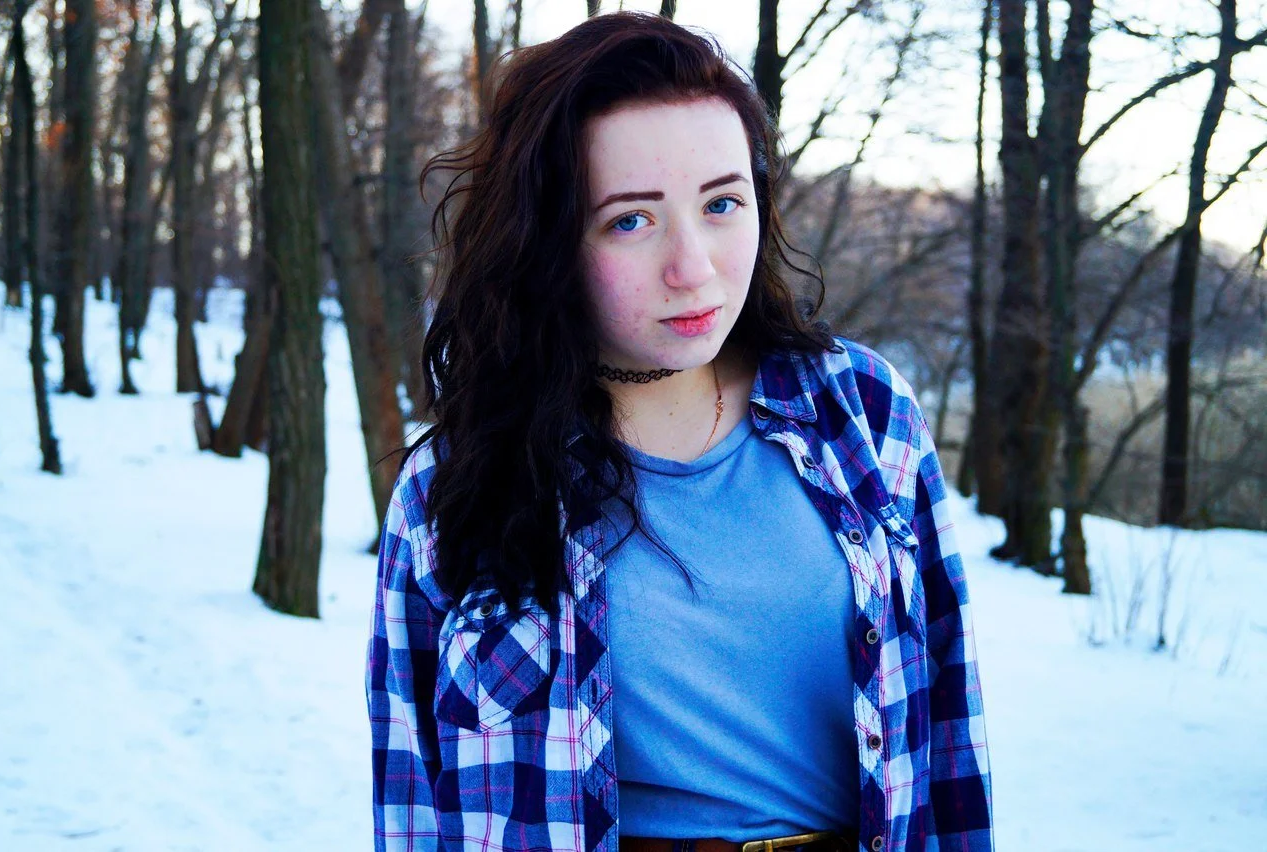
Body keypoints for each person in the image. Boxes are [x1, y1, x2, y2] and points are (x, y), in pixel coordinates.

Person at [367, 11, 992, 852]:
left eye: (722, 203)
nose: (693, 267)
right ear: (547, 239)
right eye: (631, 220)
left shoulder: (864, 413)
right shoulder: (458, 481)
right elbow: (412, 795)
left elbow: (949, 735)